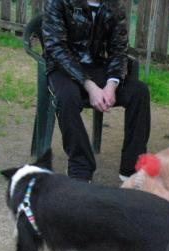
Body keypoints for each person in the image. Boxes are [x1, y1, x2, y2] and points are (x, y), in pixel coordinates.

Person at [42, 0, 151, 182]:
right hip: (62, 67)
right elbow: (56, 47)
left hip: (96, 66)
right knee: (67, 97)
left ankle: (132, 168)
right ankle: (81, 166)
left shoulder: (114, 6)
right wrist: (90, 86)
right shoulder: (57, 2)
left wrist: (111, 84)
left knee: (139, 92)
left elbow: (119, 50)